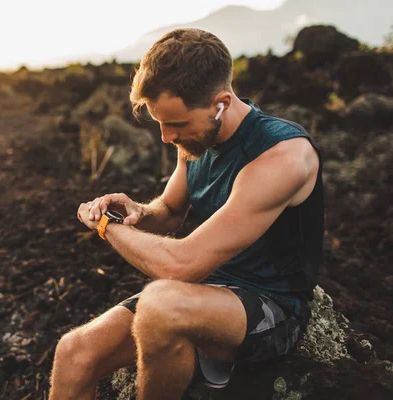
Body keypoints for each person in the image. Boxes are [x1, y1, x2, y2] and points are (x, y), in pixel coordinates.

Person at [49, 28, 323, 400]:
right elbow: (170, 211)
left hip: (270, 306)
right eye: (159, 122)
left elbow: (182, 266)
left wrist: (106, 227)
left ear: (221, 102)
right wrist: (134, 212)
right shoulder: (197, 138)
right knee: (73, 352)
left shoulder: (282, 157)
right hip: (204, 293)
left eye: (176, 124)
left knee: (161, 303)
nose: (166, 137)